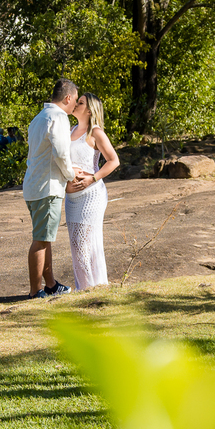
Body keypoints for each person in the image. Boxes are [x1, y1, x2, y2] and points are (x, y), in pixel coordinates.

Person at [23, 78, 81, 298]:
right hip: (47, 187)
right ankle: (35, 291)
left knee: (44, 237)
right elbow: (61, 153)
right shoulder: (59, 117)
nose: (75, 104)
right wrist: (71, 175)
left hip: (34, 185)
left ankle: (50, 285)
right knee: (40, 239)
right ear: (68, 98)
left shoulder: (39, 117)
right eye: (75, 100)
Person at [64, 92, 120, 290]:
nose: (75, 104)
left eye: (80, 103)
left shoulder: (95, 132)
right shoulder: (70, 130)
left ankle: (94, 287)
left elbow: (114, 160)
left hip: (91, 195)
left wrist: (92, 178)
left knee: (84, 242)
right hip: (71, 198)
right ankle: (84, 287)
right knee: (75, 243)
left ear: (89, 111)